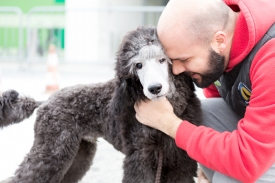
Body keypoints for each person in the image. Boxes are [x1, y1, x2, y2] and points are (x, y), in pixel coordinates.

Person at [134, 0, 275, 182]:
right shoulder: (219, 37)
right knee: (201, 112)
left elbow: (249, 161)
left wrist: (168, 123)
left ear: (219, 41)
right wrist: (207, 162)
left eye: (184, 59)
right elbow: (220, 93)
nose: (176, 70)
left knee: (229, 179)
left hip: (257, 154)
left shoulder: (270, 59)